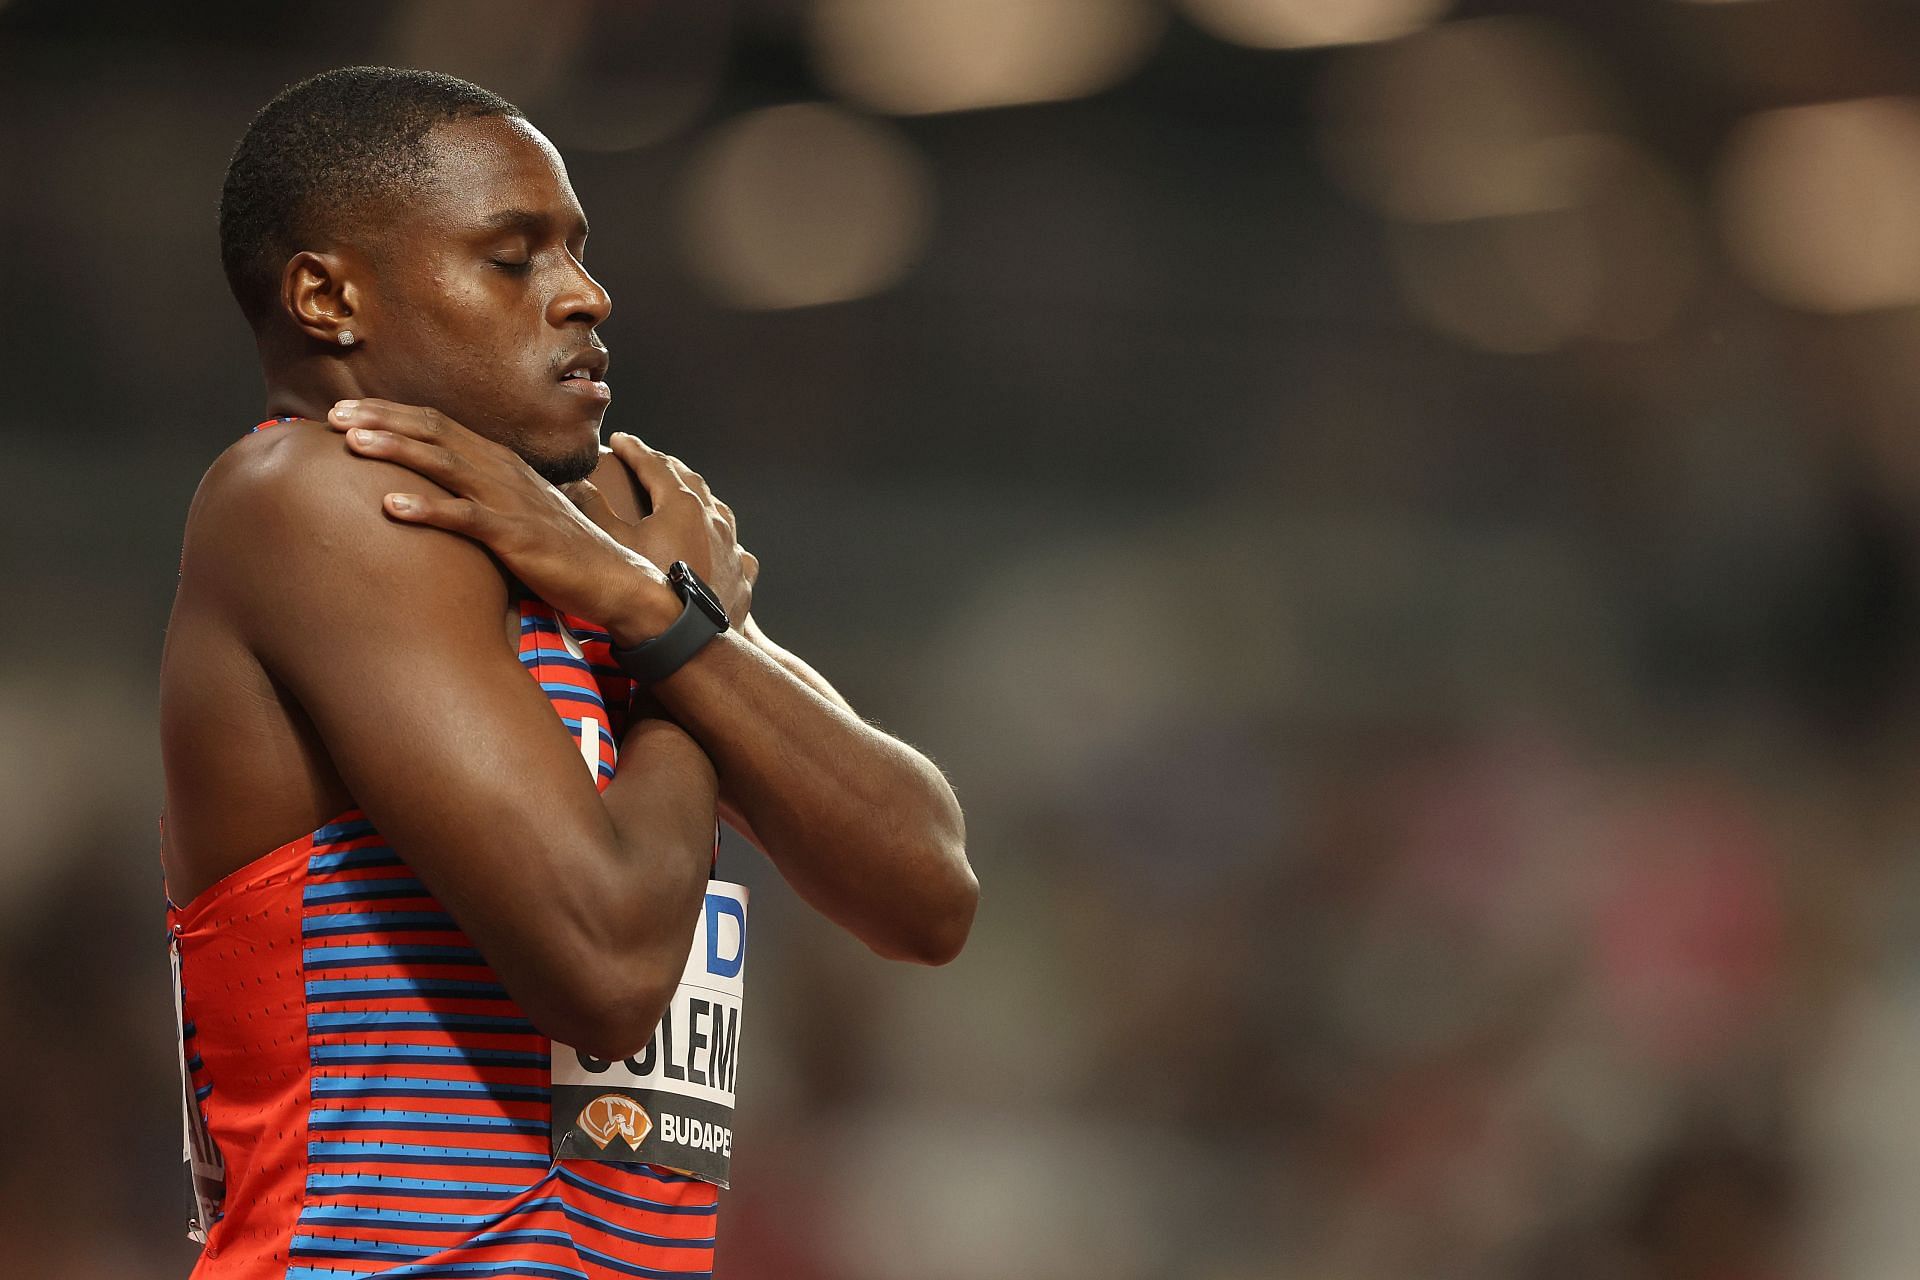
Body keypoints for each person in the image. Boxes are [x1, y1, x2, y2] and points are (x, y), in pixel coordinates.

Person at [158, 65, 977, 1280]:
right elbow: (605, 965)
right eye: (513, 256)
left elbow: (928, 888)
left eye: (578, 252)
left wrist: (650, 612)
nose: (586, 295)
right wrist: (670, 640)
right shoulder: (313, 496)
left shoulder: (595, 560)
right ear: (330, 296)